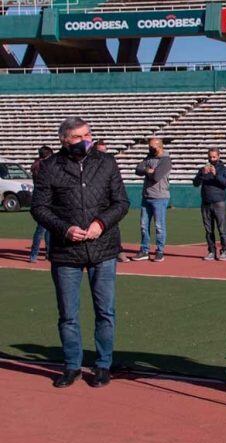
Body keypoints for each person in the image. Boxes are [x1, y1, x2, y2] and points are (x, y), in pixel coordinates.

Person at [31, 117, 129, 388]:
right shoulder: (49, 167)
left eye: (88, 134)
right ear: (64, 140)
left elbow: (121, 202)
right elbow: (39, 208)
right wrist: (65, 229)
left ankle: (103, 365)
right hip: (66, 252)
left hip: (104, 248)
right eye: (78, 136)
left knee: (105, 311)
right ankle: (72, 365)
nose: (85, 140)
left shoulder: (106, 162)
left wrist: (101, 223)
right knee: (68, 314)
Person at [134, 137, 172, 262]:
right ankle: (144, 250)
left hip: (160, 197)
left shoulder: (165, 160)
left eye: (152, 146)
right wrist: (147, 170)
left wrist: (149, 172)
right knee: (143, 225)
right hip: (146, 196)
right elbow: (138, 170)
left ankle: (160, 251)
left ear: (159, 146)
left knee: (159, 226)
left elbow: (156, 176)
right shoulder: (148, 157)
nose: (150, 148)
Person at [193, 148, 226, 261]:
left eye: (214, 157)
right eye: (210, 157)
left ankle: (224, 251)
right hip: (205, 203)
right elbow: (195, 183)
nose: (212, 159)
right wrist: (201, 175)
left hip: (219, 203)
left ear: (219, 156)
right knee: (208, 230)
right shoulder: (203, 169)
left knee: (222, 229)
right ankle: (211, 251)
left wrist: (216, 175)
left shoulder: (224, 169)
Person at [95, 140, 129, 263]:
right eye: (100, 151)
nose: (103, 154)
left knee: (112, 226)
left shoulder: (110, 164)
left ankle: (118, 251)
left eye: (105, 151)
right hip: (93, 204)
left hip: (108, 203)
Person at [29, 145, 54, 263]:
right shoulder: (43, 167)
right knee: (42, 228)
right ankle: (34, 254)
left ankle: (46, 253)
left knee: (46, 228)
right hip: (44, 200)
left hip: (40, 199)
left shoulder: (36, 165)